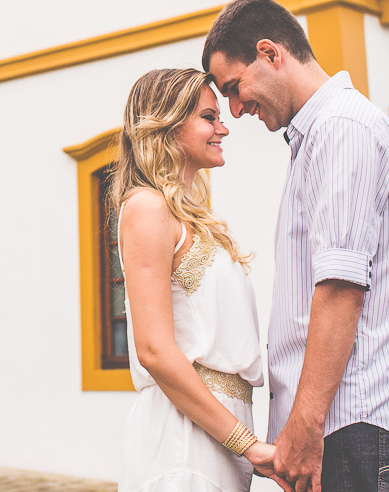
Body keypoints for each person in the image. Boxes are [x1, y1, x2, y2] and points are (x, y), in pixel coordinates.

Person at [203, 0, 389, 491]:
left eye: (234, 88)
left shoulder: (341, 128)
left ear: (270, 53)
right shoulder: (319, 134)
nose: (235, 109)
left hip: (353, 425)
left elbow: (340, 287)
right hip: (345, 429)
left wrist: (305, 427)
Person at [112, 68, 291, 492]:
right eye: (209, 117)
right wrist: (246, 443)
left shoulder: (192, 216)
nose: (224, 127)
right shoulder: (146, 208)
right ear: (168, 124)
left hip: (215, 436)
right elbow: (154, 350)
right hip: (181, 442)